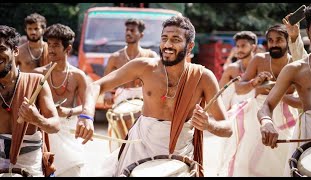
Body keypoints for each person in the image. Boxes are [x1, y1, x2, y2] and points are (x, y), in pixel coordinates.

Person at [76, 15, 232, 177]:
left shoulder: (203, 77)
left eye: (176, 40)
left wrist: (209, 125)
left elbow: (227, 128)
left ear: (190, 46)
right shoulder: (144, 67)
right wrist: (87, 115)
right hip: (140, 146)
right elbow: (96, 86)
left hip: (180, 154)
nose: (168, 45)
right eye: (164, 38)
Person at [220, 24, 299, 177]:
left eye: (279, 40)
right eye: (270, 40)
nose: (274, 44)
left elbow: (299, 95)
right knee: (249, 158)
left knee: (283, 157)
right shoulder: (259, 59)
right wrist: (254, 82)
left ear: (287, 41)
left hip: (287, 113)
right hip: (257, 114)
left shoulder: (295, 62)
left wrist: (276, 90)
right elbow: (239, 88)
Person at [258, 3, 311, 177]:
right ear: (307, 31)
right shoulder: (295, 69)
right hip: (306, 140)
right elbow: (267, 105)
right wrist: (266, 123)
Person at [0, 25, 60, 177]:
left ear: (15, 50)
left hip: (31, 169)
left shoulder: (36, 82)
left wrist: (37, 119)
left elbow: (55, 126)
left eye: (1, 49)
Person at [33, 23, 89, 177]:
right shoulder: (37, 74)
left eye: (56, 45)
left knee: (72, 170)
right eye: (49, 44)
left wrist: (69, 111)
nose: (51, 49)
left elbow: (87, 106)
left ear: (68, 49)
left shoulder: (78, 76)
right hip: (44, 130)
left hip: (68, 132)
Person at [103, 18, 158, 108]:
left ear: (141, 35)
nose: (128, 33)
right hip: (122, 95)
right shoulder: (115, 57)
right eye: (127, 30)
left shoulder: (150, 56)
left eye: (132, 30)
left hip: (143, 95)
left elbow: (159, 78)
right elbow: (106, 78)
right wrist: (107, 93)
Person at [219, 31, 258, 110]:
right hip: (235, 110)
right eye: (237, 46)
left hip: (256, 108)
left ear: (253, 47)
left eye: (243, 46)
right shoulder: (232, 68)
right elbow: (219, 92)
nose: (239, 49)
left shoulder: (261, 65)